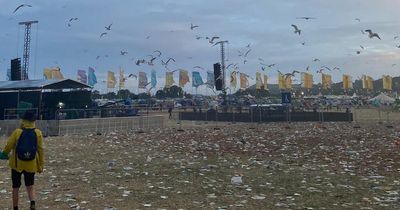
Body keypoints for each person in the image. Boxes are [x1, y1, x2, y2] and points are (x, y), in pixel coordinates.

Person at [0, 111, 44, 210]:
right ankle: (32, 203)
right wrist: (40, 165)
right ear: (34, 121)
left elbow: (9, 146)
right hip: (31, 164)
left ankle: (15, 207)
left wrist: (4, 154)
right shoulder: (38, 133)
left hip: (17, 164)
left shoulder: (17, 132)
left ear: (23, 120)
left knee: (15, 187)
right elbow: (40, 150)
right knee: (30, 186)